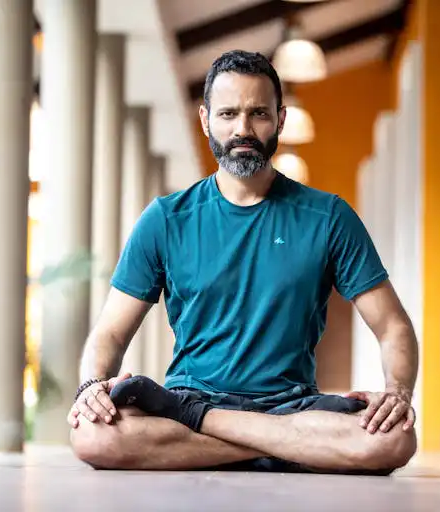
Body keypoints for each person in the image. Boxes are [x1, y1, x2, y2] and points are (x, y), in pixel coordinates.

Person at [67, 50, 419, 474]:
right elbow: (109, 332)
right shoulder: (166, 219)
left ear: (280, 120)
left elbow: (393, 325)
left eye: (259, 114)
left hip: (286, 404)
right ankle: (292, 447)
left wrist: (398, 393)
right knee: (92, 434)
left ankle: (212, 429)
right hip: (195, 398)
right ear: (205, 119)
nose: (243, 129)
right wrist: (91, 387)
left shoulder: (329, 217)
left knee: (395, 439)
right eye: (228, 114)